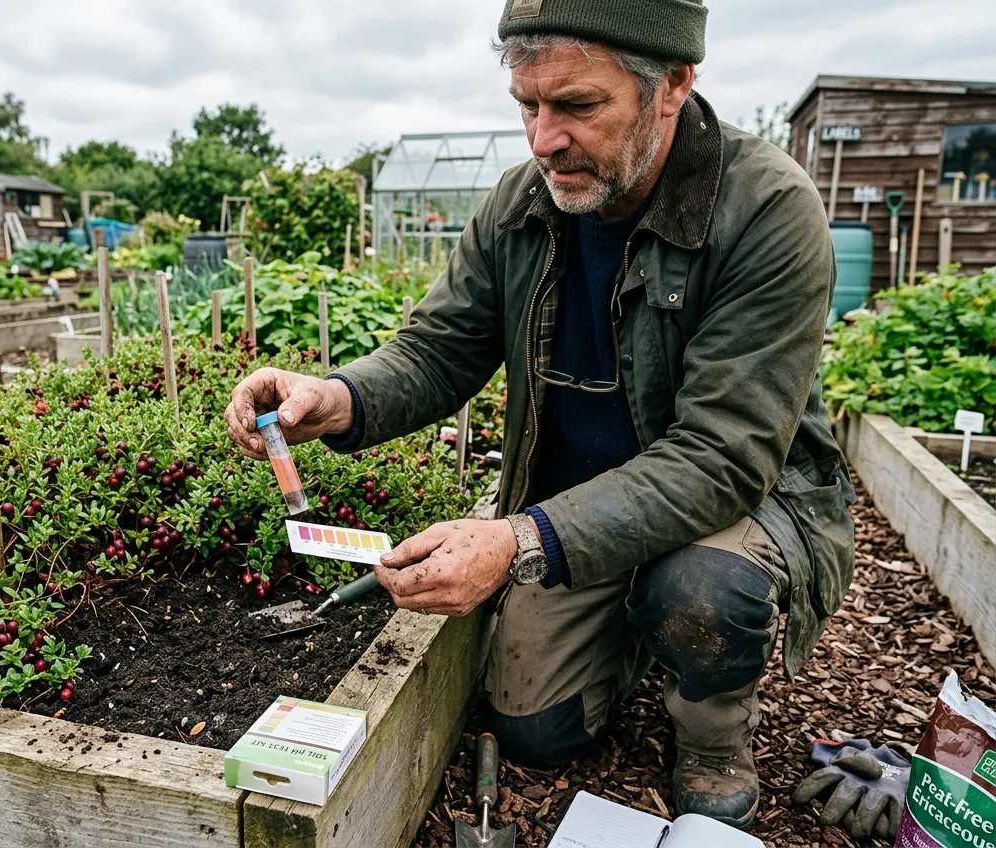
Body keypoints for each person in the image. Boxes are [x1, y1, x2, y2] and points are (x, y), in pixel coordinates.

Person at [225, 0, 855, 831]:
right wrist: (337, 397)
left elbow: (720, 457)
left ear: (673, 84)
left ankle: (710, 734)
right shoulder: (523, 202)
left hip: (739, 505)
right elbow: (439, 347)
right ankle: (627, 624)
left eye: (577, 107)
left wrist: (517, 541)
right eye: (527, 105)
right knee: (533, 731)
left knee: (700, 591)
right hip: (579, 502)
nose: (542, 139)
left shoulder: (765, 208)